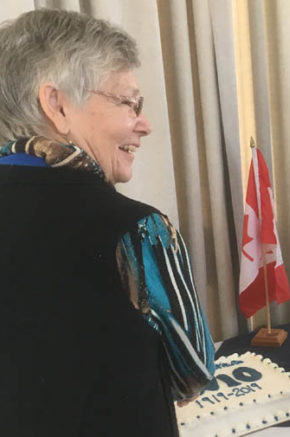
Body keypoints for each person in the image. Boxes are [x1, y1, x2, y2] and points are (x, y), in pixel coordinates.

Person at [0, 9, 214, 436]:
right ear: (57, 105)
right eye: (129, 102)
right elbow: (192, 372)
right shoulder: (140, 230)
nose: (145, 124)